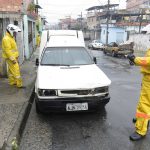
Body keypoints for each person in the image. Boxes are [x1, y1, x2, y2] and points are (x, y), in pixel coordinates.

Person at [127, 50, 150, 141]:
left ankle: (141, 130)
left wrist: (135, 59)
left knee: (144, 105)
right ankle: (142, 121)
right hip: (147, 79)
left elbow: (147, 60)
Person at [2, 24, 23, 88]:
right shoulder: (6, 39)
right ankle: (19, 84)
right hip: (11, 58)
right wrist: (13, 59)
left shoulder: (10, 38)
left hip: (13, 57)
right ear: (10, 31)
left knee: (11, 70)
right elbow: (8, 51)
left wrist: (16, 56)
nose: (15, 34)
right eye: (14, 32)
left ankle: (12, 82)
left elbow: (13, 49)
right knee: (16, 70)